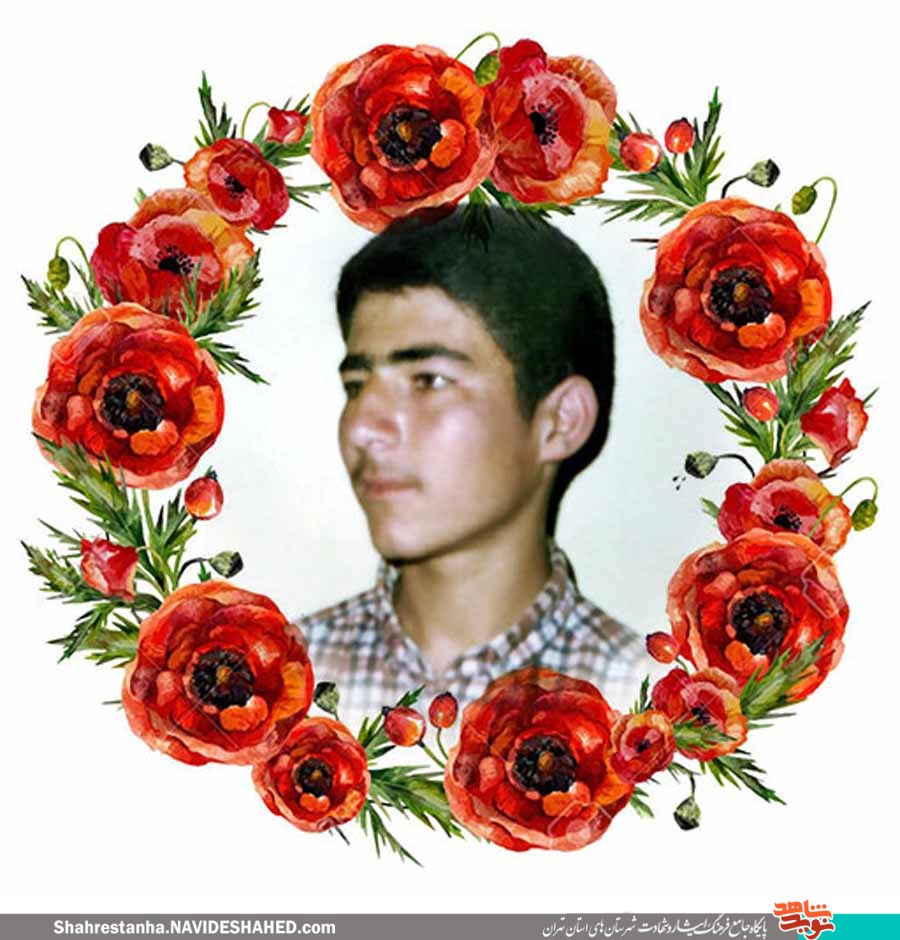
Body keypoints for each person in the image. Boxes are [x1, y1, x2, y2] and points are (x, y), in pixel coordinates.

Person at [299, 206, 649, 721]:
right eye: (356, 386)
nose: (362, 428)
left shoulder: (641, 706)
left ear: (561, 422)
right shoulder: (279, 685)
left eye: (429, 381)